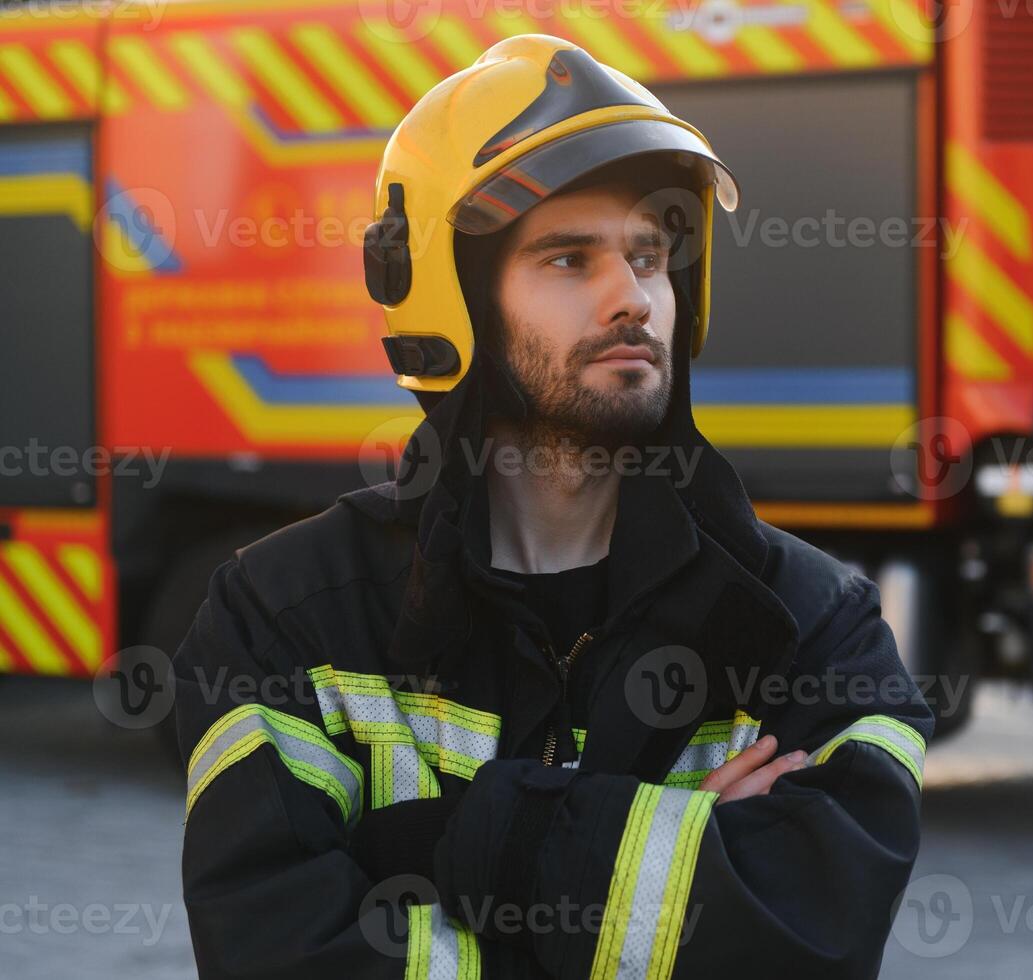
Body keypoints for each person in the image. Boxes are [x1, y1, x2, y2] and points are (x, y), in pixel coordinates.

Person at [173, 34, 933, 979]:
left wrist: (445, 841)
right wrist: (677, 860)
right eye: (569, 260)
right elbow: (278, 953)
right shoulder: (282, 620)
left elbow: (805, 940)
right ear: (454, 301)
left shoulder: (813, 629)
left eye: (649, 255)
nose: (633, 299)